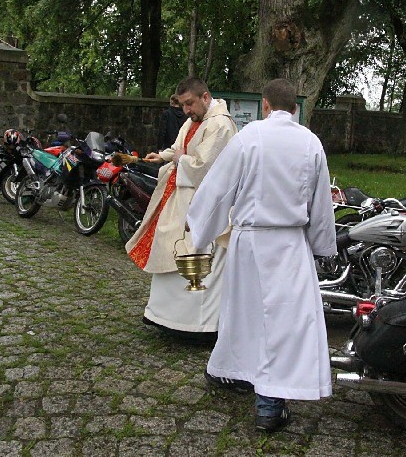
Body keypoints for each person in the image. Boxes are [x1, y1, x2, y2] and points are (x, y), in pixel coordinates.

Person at [186, 78, 337, 432]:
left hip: (250, 243)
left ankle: (260, 396)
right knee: (282, 323)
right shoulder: (310, 143)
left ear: (265, 105)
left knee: (245, 313)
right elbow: (321, 206)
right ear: (295, 108)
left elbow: (219, 189)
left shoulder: (249, 137)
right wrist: (322, 248)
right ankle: (242, 381)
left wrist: (199, 229)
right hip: (289, 245)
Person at [125, 77, 238, 340]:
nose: (185, 110)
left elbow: (206, 168)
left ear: (205, 97)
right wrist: (164, 156)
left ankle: (200, 326)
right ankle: (165, 316)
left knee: (200, 257)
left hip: (206, 205)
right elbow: (180, 148)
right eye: (183, 104)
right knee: (172, 250)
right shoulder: (194, 120)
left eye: (189, 103)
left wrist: (179, 159)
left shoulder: (220, 125)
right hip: (182, 199)